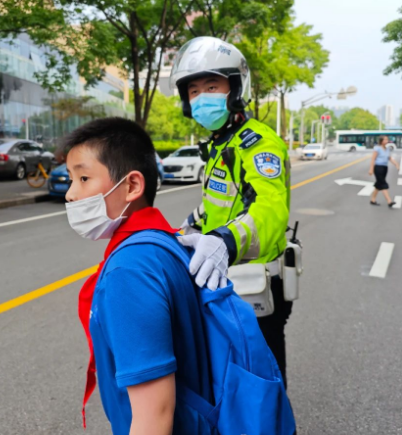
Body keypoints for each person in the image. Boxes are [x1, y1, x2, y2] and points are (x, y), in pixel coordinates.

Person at [63, 118, 213, 435]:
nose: (71, 194)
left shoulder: (129, 270)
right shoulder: (165, 242)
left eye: (83, 177)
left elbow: (154, 416)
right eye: (70, 179)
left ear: (132, 186)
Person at [170, 36, 294, 386]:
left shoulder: (258, 142)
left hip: (256, 289)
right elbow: (221, 205)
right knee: (229, 383)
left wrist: (224, 241)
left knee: (261, 386)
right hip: (225, 282)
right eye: (193, 90)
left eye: (211, 85)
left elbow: (270, 210)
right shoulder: (220, 144)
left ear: (236, 89)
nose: (200, 97)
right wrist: (190, 227)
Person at [369, 135, 400, 207]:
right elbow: (373, 159)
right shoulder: (377, 148)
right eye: (385, 139)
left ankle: (372, 200)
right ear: (381, 141)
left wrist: (396, 164)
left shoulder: (387, 149)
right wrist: (371, 169)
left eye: (387, 139)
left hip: (385, 168)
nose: (387, 141)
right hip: (378, 167)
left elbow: (389, 158)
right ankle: (389, 201)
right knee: (383, 184)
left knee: (378, 185)